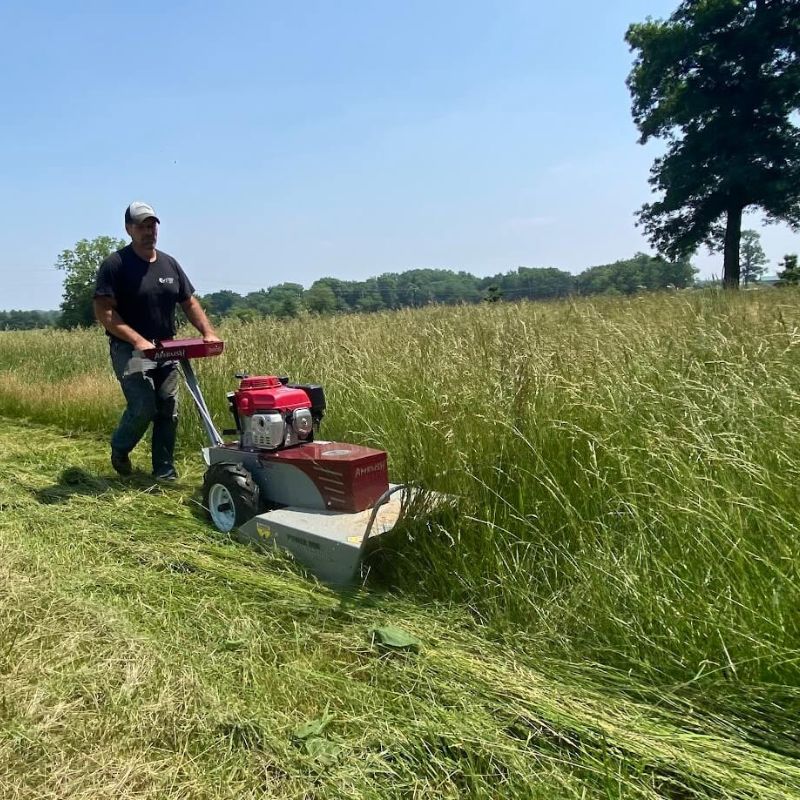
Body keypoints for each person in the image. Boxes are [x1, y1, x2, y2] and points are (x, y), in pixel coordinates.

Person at [93, 201, 220, 480]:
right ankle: (120, 448)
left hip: (166, 349)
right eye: (142, 226)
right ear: (129, 229)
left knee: (168, 407)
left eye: (152, 225)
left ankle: (164, 471)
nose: (149, 231)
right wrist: (137, 340)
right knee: (144, 405)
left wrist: (207, 333)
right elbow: (104, 311)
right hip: (131, 351)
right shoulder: (116, 265)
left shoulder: (169, 263)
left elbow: (188, 302)